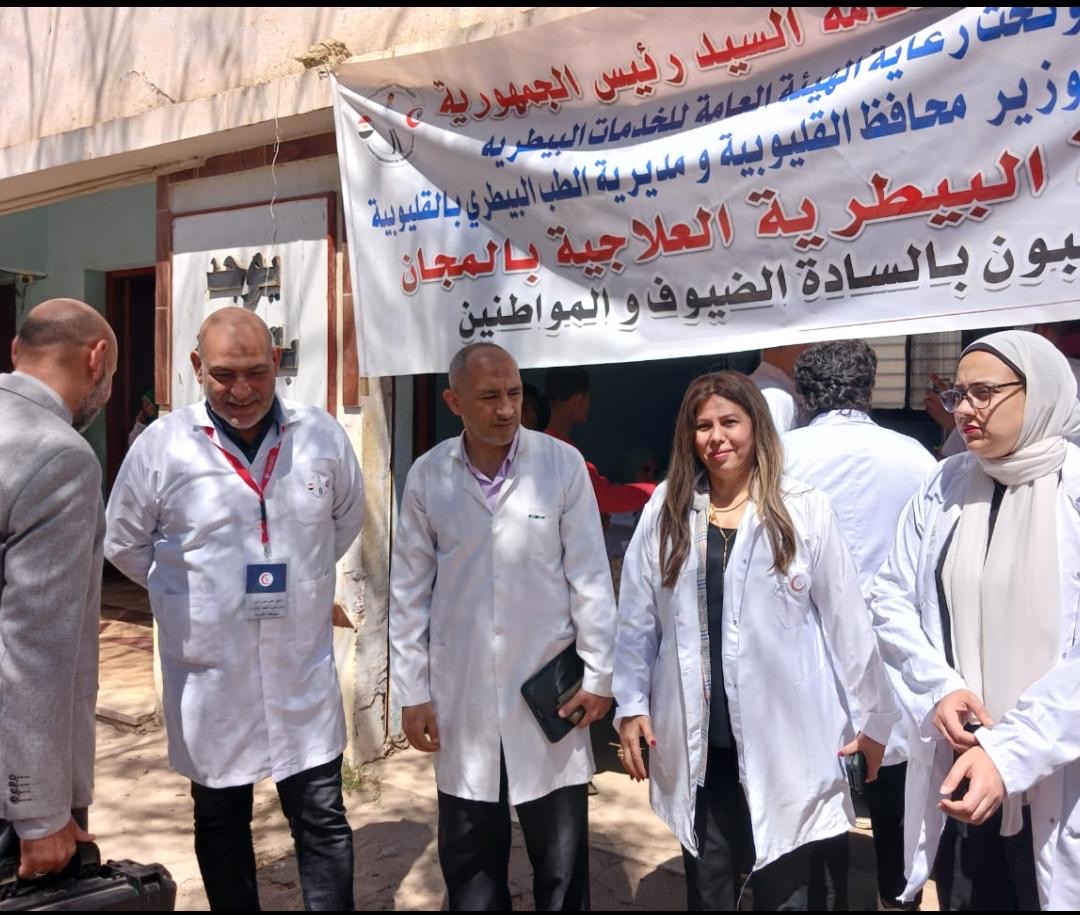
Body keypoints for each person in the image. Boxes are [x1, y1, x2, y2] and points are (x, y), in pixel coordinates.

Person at [104, 307, 364, 911]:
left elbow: (345, 520)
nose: (241, 390)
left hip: (300, 668)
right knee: (221, 820)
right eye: (223, 375)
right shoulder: (162, 446)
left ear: (276, 362)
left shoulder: (321, 435)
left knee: (322, 817)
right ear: (197, 366)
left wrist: (300, 581)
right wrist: (192, 594)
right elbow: (124, 542)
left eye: (255, 372)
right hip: (211, 674)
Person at [613, 371, 897, 911]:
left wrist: (875, 720)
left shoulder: (802, 508)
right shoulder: (669, 509)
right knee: (710, 885)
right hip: (701, 741)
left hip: (783, 740)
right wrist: (630, 704)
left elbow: (848, 623)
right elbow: (637, 618)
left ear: (756, 428)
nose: (715, 437)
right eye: (703, 426)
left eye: (729, 422)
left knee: (784, 888)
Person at [391, 342, 616, 911]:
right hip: (462, 691)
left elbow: (590, 577)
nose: (506, 409)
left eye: (514, 393)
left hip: (550, 692)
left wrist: (599, 675)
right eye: (489, 397)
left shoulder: (560, 465)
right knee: (471, 866)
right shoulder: (428, 476)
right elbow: (409, 593)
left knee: (562, 867)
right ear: (454, 402)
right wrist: (412, 692)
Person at [870, 330, 1080, 910]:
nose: (964, 409)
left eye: (983, 393)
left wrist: (1009, 752)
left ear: (1040, 393)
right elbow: (891, 597)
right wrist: (939, 688)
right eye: (957, 394)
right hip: (963, 766)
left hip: (1057, 775)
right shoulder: (945, 483)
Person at [785, 340, 936, 910]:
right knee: (897, 795)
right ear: (868, 390)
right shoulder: (916, 458)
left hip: (806, 651)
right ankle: (898, 897)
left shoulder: (780, 455)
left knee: (815, 800)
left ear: (804, 394)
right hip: (892, 650)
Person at [0, 298, 117, 878]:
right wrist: (40, 811)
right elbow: (34, 645)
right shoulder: (59, 457)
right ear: (97, 360)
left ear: (16, 351)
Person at [544, 366, 655, 514]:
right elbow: (607, 498)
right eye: (589, 399)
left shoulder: (543, 446)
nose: (589, 405)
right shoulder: (562, 453)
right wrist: (660, 489)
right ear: (578, 400)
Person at [749, 344, 809, 434]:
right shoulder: (775, 396)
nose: (810, 349)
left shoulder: (759, 383)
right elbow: (776, 442)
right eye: (807, 343)